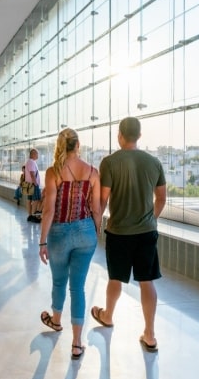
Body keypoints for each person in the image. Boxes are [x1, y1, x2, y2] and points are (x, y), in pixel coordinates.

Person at [91, 117, 166, 353]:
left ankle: (107, 316)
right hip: (146, 232)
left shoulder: (110, 162)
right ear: (139, 136)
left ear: (120, 135)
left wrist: (95, 225)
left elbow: (103, 199)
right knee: (146, 281)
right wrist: (151, 219)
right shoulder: (154, 162)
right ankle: (150, 334)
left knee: (115, 278)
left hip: (119, 232)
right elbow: (161, 198)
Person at [38, 129, 102, 360]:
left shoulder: (53, 172)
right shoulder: (92, 172)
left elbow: (49, 210)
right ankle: (76, 343)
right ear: (78, 145)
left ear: (60, 146)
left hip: (59, 232)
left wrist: (42, 241)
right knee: (78, 287)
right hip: (86, 232)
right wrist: (95, 231)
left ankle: (56, 321)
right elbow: (96, 209)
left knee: (59, 281)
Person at [24, 148, 42, 222]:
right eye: (37, 154)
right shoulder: (31, 162)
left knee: (29, 200)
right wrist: (36, 183)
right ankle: (34, 216)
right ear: (33, 154)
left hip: (29, 184)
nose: (38, 155)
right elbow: (32, 174)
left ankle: (30, 215)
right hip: (33, 184)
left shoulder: (29, 161)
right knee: (36, 200)